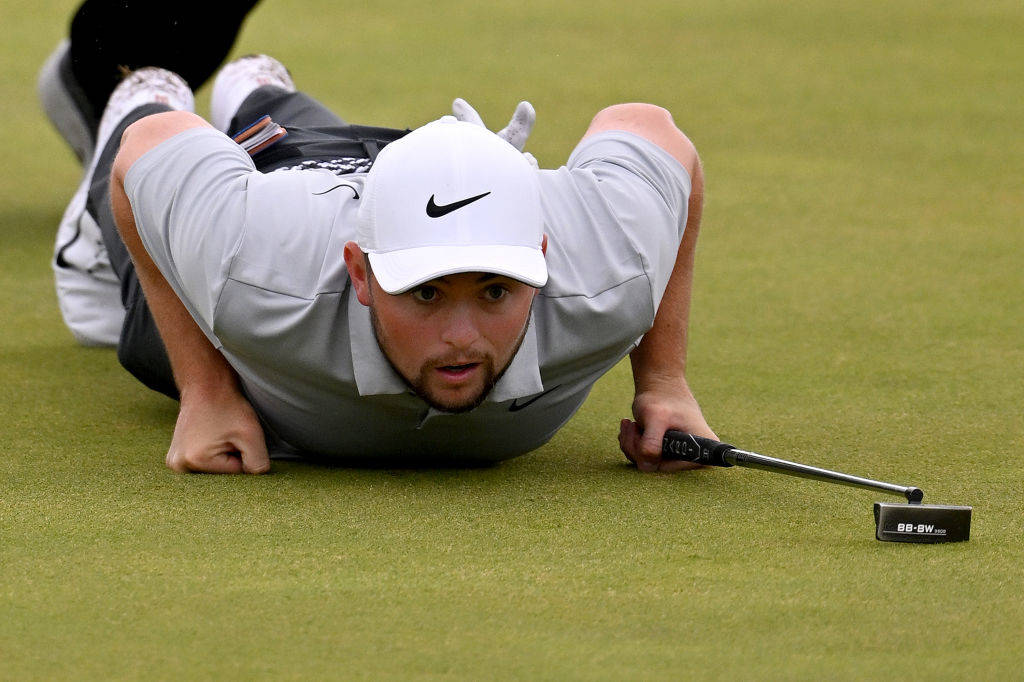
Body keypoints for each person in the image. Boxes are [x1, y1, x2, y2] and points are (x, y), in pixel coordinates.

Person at [39, 1, 717, 475]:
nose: (461, 336)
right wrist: (207, 394)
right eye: (424, 292)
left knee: (326, 146)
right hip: (301, 193)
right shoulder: (255, 277)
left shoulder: (611, 279)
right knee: (141, 328)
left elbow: (655, 132)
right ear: (361, 274)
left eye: (493, 290)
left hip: (385, 169)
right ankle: (150, 92)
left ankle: (258, 92)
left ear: (540, 261)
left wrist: (664, 382)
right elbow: (148, 151)